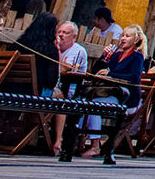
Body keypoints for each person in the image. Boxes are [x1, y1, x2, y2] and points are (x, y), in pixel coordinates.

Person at [82, 24, 147, 159]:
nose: (123, 38)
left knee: (93, 105)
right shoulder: (116, 55)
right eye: (122, 35)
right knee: (82, 102)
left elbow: (134, 77)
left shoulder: (137, 56)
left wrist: (111, 75)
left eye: (127, 36)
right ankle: (79, 141)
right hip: (110, 93)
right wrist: (103, 58)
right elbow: (95, 72)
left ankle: (95, 146)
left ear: (135, 40)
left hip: (126, 98)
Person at [51, 20, 89, 154]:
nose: (61, 35)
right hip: (55, 87)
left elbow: (64, 70)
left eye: (65, 33)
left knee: (61, 99)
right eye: (59, 32)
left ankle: (58, 141)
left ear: (74, 37)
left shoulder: (78, 51)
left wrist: (57, 51)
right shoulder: (52, 46)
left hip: (72, 90)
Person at [15, 10, 59, 96]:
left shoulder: (18, 44)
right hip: (30, 94)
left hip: (7, 90)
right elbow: (51, 82)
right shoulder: (50, 50)